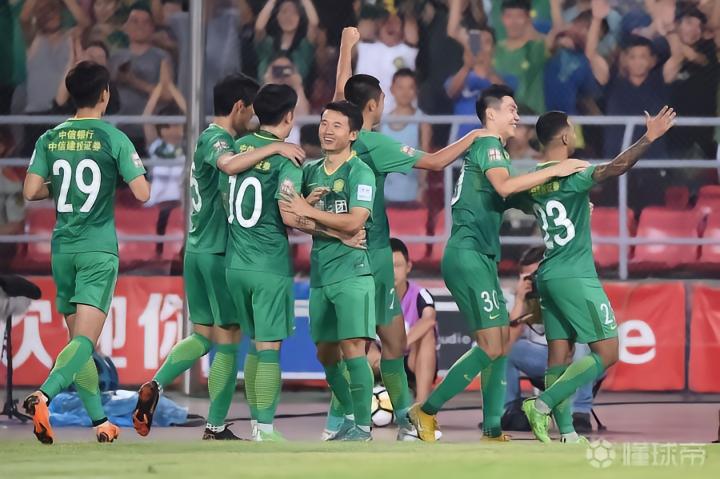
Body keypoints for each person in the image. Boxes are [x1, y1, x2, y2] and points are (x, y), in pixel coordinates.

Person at [332, 27, 494, 442]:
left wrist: (346, 49)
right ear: (374, 105)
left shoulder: (337, 134)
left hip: (341, 255)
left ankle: (348, 424)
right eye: (382, 98)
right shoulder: (375, 143)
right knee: (389, 344)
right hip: (373, 255)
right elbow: (436, 162)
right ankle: (397, 422)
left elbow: (339, 93)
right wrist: (475, 135)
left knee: (357, 345)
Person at [407, 84, 589, 442]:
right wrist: (559, 169)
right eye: (511, 109)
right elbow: (507, 188)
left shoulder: (495, 155)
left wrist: (573, 203)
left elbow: (519, 198)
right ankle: (425, 410)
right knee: (493, 345)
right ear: (491, 114)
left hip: (476, 256)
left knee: (495, 344)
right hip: (470, 255)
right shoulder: (488, 144)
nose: (517, 116)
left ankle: (492, 429)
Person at [131, 74, 305, 441]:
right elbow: (229, 165)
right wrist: (275, 148)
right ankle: (217, 425)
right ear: (239, 106)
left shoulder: (227, 142)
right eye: (250, 110)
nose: (252, 118)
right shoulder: (220, 140)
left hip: (196, 248)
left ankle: (156, 384)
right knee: (229, 340)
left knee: (204, 336)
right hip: (219, 251)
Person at [518, 107, 675, 443]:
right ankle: (542, 405)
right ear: (564, 136)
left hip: (548, 273)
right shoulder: (574, 172)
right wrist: (649, 137)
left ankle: (568, 433)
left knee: (558, 356)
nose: (575, 134)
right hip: (576, 276)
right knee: (607, 352)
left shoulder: (532, 179)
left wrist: (579, 212)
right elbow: (616, 167)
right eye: (572, 129)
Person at [21, 61, 151, 444]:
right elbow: (143, 193)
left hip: (62, 249)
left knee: (77, 343)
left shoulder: (50, 138)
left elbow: (30, 191)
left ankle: (100, 423)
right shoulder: (113, 138)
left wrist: (63, 187)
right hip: (97, 249)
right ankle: (43, 395)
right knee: (85, 343)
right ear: (105, 95)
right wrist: (115, 176)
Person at [279, 100, 377, 442]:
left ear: (353, 134)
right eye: (323, 123)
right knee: (325, 353)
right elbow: (294, 218)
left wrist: (309, 211)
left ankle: (362, 428)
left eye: (337, 125)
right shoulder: (311, 172)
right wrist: (313, 216)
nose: (327, 130)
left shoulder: (360, 172)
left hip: (354, 272)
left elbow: (355, 221)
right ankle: (349, 415)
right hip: (321, 275)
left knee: (353, 349)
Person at [223, 84, 305, 442]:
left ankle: (257, 425)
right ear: (289, 116)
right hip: (268, 264)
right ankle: (266, 430)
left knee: (255, 342)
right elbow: (289, 214)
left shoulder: (238, 147)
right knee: (269, 347)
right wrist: (319, 219)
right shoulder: (288, 157)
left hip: (235, 263)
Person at [503, 246, 595, 434]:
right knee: (507, 350)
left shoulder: (570, 289)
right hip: (543, 359)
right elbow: (507, 343)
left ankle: (580, 412)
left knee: (584, 345)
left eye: (536, 275)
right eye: (528, 277)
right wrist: (520, 300)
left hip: (575, 358)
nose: (534, 281)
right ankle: (511, 410)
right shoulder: (518, 297)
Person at [110, 4, 173, 151]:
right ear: (125, 27)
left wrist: (134, 81)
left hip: (150, 131)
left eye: (146, 22)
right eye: (134, 21)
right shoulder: (115, 57)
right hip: (119, 129)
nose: (140, 26)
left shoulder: (162, 57)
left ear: (152, 28)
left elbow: (168, 95)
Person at [390, 238, 438, 403]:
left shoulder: (420, 294)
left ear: (408, 266)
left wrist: (401, 344)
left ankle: (421, 406)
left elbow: (429, 319)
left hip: (410, 360)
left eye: (397, 266)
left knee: (427, 334)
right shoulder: (371, 296)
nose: (392, 272)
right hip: (382, 360)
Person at [381, 69, 431, 205]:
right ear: (392, 89)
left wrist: (422, 188)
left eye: (410, 88)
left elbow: (426, 158)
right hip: (384, 195)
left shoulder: (422, 121)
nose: (405, 93)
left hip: (412, 195)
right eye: (400, 87)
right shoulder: (381, 122)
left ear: (416, 91)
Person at [355, 12, 419, 112]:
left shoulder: (407, 50)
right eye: (386, 21)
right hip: (366, 115)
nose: (391, 25)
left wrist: (400, 9)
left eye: (396, 22)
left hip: (399, 116)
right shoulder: (367, 47)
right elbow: (364, 26)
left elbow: (412, 27)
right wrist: (380, 9)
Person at [445, 27, 502, 140]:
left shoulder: (502, 78)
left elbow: (505, 96)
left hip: (491, 139)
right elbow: (451, 92)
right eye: (478, 42)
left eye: (486, 42)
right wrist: (467, 66)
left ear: (494, 48)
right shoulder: (459, 76)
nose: (481, 47)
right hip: (461, 139)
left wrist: (487, 69)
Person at [492, 0, 547, 114]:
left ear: (528, 19)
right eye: (509, 16)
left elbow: (554, 38)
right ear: (502, 18)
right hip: (500, 118)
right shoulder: (493, 50)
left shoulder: (537, 47)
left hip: (531, 117)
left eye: (519, 16)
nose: (514, 22)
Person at [254, 0, 319, 84]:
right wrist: (272, 1)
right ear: (277, 16)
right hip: (267, 91)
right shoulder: (268, 45)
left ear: (299, 18)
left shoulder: (304, 47)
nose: (288, 16)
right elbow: (259, 28)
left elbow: (314, 23)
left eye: (294, 13)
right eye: (284, 12)